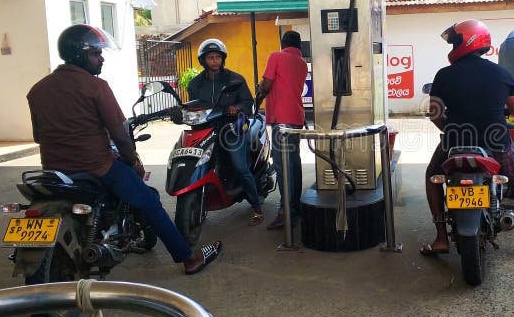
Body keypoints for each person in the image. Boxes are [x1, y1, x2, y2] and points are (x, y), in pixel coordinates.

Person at [26, 24, 221, 275]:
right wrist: (133, 162)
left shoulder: (37, 89)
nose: (101, 58)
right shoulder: (96, 87)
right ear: (80, 54)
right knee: (149, 201)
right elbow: (119, 133)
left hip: (54, 170)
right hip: (97, 167)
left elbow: (38, 136)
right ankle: (189, 257)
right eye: (96, 53)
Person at [422, 19, 514, 259]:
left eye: (454, 42)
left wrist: (451, 130)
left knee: (432, 178)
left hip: (455, 144)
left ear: (465, 42)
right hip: (497, 142)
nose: (452, 48)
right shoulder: (500, 73)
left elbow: (436, 114)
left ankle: (440, 238)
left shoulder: (444, 75)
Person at [187, 38, 264, 225]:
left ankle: (256, 207)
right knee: (194, 162)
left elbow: (248, 103)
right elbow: (192, 107)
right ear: (203, 60)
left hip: (231, 129)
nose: (214, 60)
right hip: (206, 129)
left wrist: (236, 108)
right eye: (210, 57)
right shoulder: (195, 84)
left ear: (223, 59)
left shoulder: (235, 80)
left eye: (217, 57)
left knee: (240, 167)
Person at [255, 31, 309, 230]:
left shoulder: (276, 56)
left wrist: (260, 89)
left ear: (283, 43)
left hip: (282, 121)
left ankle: (285, 213)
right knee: (294, 165)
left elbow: (267, 84)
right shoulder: (302, 64)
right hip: (296, 118)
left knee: (282, 167)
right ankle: (295, 209)